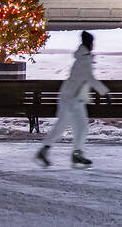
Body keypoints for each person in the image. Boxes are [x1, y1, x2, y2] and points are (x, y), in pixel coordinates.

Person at [35, 31, 110, 168]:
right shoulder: (83, 60)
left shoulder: (84, 57)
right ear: (89, 43)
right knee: (61, 126)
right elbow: (90, 78)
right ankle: (44, 151)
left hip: (77, 99)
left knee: (81, 127)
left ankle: (77, 154)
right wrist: (104, 92)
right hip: (69, 99)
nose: (94, 45)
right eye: (92, 43)